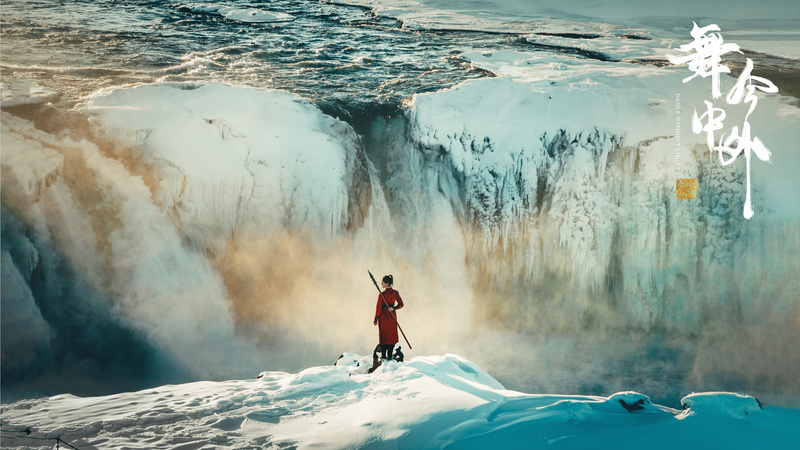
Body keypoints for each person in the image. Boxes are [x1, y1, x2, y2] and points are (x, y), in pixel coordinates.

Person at [373, 274, 404, 362]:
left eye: (382, 282)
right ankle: (390, 356)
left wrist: (375, 318)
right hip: (392, 316)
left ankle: (383, 356)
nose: (381, 284)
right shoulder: (395, 293)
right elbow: (401, 304)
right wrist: (393, 308)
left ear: (386, 283)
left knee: (384, 336)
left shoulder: (382, 294)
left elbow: (378, 308)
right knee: (391, 336)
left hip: (383, 316)